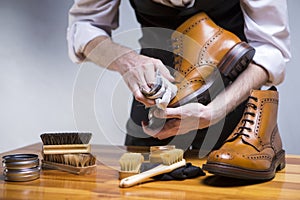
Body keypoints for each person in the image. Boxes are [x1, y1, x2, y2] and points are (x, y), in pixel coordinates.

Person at [67, 0, 290, 155]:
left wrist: (214, 112)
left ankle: (218, 47)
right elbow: (85, 25)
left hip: (237, 114)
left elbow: (270, 51)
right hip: (154, 114)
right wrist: (127, 61)